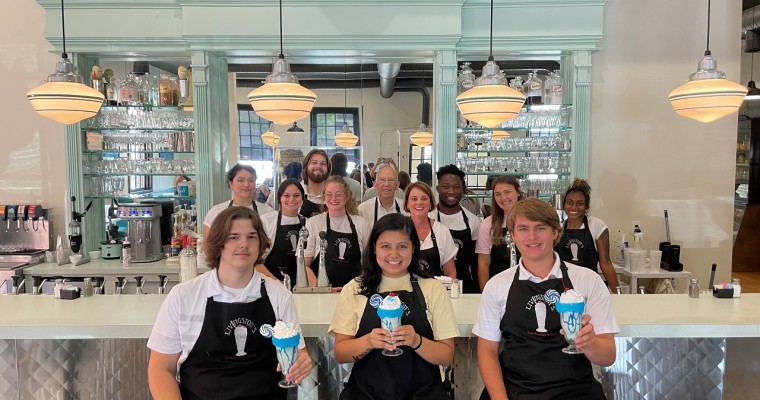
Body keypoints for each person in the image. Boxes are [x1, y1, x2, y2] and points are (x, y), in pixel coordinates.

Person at [147, 207, 312, 400]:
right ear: (218, 244)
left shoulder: (279, 296)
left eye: (252, 237)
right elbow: (161, 369)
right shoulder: (183, 296)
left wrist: (302, 361)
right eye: (234, 237)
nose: (244, 244)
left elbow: (297, 352)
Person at [473, 198, 618, 399]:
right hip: (516, 390)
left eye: (540, 228)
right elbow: (487, 350)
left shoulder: (588, 280)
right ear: (512, 235)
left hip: (575, 390)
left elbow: (608, 356)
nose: (532, 236)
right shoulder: (497, 285)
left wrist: (590, 343)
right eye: (523, 229)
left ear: (555, 232)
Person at [329, 213, 459, 400]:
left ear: (413, 248)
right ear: (374, 248)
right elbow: (341, 353)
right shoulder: (354, 289)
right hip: (366, 394)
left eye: (402, 246)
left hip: (422, 394)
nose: (394, 254)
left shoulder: (433, 289)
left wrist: (416, 341)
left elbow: (446, 355)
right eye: (385, 246)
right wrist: (369, 342)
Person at [304, 176, 371, 290]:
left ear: (347, 196)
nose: (334, 198)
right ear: (324, 198)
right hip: (321, 294)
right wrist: (322, 289)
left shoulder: (361, 224)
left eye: (339, 194)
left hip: (353, 292)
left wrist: (357, 288)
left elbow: (369, 263)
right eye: (329, 194)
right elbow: (304, 265)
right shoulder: (313, 223)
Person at [555, 178, 620, 291]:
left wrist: (619, 295)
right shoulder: (558, 228)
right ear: (564, 204)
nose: (574, 207)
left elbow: (606, 263)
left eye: (579, 204)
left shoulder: (596, 225)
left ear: (586, 206)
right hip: (564, 289)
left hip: (589, 287)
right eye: (570, 203)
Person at [433, 165, 481, 294]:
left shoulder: (473, 221)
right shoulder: (429, 218)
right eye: (446, 186)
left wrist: (480, 292)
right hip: (434, 287)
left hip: (465, 287)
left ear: (463, 190)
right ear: (438, 189)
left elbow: (476, 264)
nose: (451, 191)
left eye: (456, 187)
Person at [203, 164, 275, 243]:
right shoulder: (216, 212)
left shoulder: (268, 212)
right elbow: (208, 247)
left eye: (251, 180)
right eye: (240, 180)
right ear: (231, 184)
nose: (246, 184)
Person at [476, 176, 522, 292]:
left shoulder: (531, 220)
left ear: (518, 192)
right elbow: (483, 264)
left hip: (528, 285)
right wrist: (485, 294)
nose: (503, 198)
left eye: (507, 192)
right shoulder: (488, 224)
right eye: (498, 194)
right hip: (498, 287)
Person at [404, 181, 457, 278]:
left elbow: (450, 272)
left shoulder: (442, 231)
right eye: (414, 199)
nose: (419, 202)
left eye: (424, 198)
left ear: (430, 203)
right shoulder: (399, 230)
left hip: (435, 291)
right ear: (407, 203)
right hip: (405, 291)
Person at [260, 179, 307, 286]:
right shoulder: (267, 221)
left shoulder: (308, 222)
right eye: (286, 195)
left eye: (296, 195)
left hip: (302, 286)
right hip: (272, 285)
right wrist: (277, 283)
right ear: (280, 198)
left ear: (302, 198)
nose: (291, 199)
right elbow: (256, 261)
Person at [300, 149, 331, 218]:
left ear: (328, 169)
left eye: (323, 164)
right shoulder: (297, 193)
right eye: (314, 162)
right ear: (306, 166)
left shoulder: (333, 195)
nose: (318, 167)